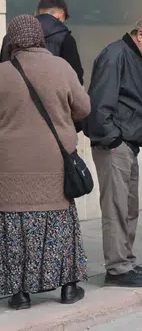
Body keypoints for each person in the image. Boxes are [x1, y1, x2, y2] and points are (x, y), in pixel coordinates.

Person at [0, 16, 91, 310]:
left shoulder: (2, 73)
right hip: (55, 164)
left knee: (16, 229)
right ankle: (67, 287)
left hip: (11, 168)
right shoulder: (61, 68)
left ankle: (21, 294)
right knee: (59, 226)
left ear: (12, 40)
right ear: (40, 38)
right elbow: (84, 107)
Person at [85, 15, 142, 287]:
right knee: (117, 208)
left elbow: (137, 106)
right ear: (141, 34)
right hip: (116, 145)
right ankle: (118, 268)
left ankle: (125, 262)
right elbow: (100, 104)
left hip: (125, 143)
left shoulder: (135, 58)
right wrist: (114, 140)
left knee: (128, 208)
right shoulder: (116, 55)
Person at [0, 0, 84, 84]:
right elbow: (76, 78)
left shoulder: (9, 37)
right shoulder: (65, 38)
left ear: (36, 13)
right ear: (61, 15)